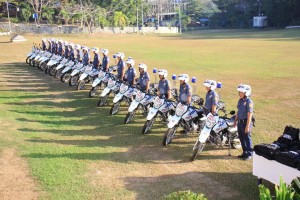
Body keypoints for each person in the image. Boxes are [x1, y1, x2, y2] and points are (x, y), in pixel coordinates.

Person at [233, 84, 254, 161]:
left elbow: (249, 114)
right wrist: (235, 121)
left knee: (247, 138)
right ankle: (244, 152)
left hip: (246, 123)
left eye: (241, 92)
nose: (239, 94)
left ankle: (249, 154)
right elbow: (238, 112)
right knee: (241, 138)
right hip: (240, 123)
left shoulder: (249, 102)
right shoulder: (240, 100)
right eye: (239, 92)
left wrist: (247, 126)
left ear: (246, 93)